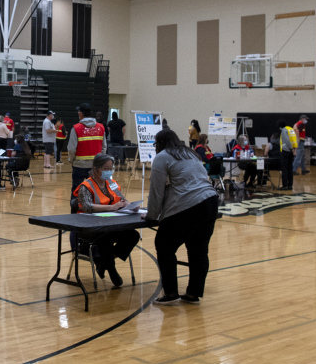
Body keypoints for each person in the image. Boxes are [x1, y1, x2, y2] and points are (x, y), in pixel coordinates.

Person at [147, 130, 220, 306]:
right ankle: (193, 294)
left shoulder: (162, 157)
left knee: (164, 245)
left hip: (192, 205)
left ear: (160, 143)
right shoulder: (190, 154)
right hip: (211, 202)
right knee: (198, 249)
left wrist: (151, 216)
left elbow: (156, 191)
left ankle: (171, 292)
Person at [72, 153, 139, 286]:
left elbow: (122, 198)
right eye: (106, 168)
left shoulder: (112, 183)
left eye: (111, 168)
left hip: (111, 224)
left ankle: (103, 263)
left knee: (133, 235)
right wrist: (111, 208)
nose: (109, 171)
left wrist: (129, 205)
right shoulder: (86, 186)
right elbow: (86, 207)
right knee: (105, 238)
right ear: (96, 169)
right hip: (90, 227)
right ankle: (112, 270)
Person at [68, 103, 107, 196]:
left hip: (79, 165)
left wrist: (72, 160)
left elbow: (71, 149)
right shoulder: (101, 127)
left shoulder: (76, 128)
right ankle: (96, 209)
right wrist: (100, 162)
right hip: (96, 166)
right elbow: (104, 147)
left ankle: (75, 210)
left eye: (78, 112)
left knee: (76, 191)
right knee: (96, 191)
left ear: (81, 114)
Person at [277, 120, 297, 190]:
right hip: (291, 151)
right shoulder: (291, 129)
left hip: (285, 151)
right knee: (290, 169)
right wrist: (294, 149)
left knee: (284, 169)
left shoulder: (284, 130)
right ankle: (290, 185)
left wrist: (290, 148)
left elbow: (286, 140)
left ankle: (285, 185)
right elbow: (295, 140)